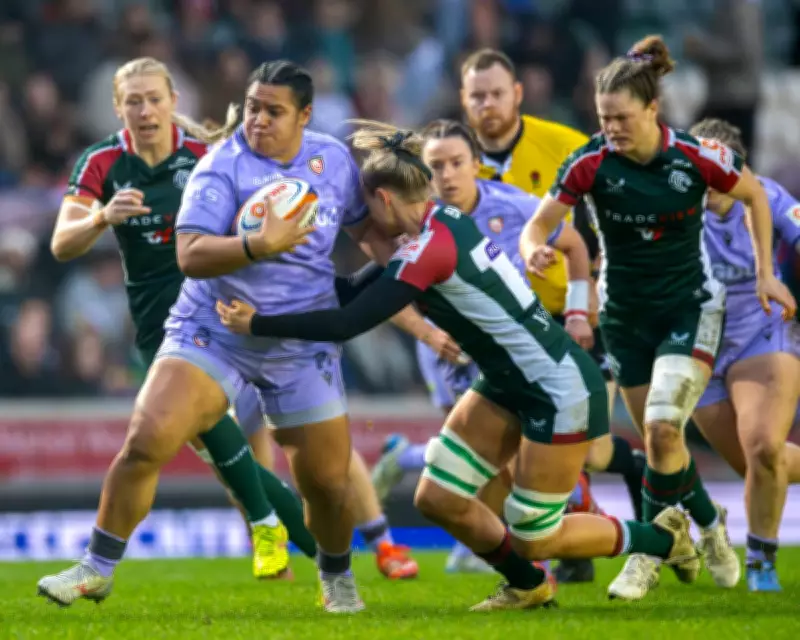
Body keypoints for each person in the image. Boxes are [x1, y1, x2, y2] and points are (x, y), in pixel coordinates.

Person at [216, 119, 700, 613]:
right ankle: (528, 586)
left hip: (557, 387)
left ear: (383, 200)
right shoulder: (434, 224)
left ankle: (666, 539)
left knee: (536, 534)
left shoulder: (428, 249)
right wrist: (269, 279)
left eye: (365, 209)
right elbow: (346, 291)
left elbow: (347, 321)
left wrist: (259, 324)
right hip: (508, 382)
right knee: (437, 497)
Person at [37, 58, 320, 609]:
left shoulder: (205, 159)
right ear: (119, 108)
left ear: (173, 102)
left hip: (217, 318)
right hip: (156, 329)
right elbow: (60, 243)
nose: (144, 110)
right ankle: (321, 547)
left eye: (153, 98)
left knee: (169, 438)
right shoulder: (102, 163)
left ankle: (100, 565)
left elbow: (258, 219)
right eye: (133, 101)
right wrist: (100, 219)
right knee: (217, 439)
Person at [522, 35, 796, 601]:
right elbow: (539, 221)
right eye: (603, 117)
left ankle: (646, 553)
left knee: (664, 428)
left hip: (689, 307)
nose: (611, 128)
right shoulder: (590, 162)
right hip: (624, 317)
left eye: (621, 117)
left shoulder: (697, 156)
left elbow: (756, 197)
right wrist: (532, 248)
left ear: (652, 110)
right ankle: (710, 523)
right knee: (663, 448)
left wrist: (767, 273)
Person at [370, 118, 598, 576]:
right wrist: (427, 333)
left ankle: (511, 547)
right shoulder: (413, 224)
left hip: (518, 349)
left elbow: (575, 244)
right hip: (451, 349)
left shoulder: (513, 206)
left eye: (456, 163)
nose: (447, 175)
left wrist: (576, 313)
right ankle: (513, 557)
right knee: (487, 465)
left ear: (477, 164)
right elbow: (385, 292)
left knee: (533, 463)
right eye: (435, 166)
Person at [689, 118, 800, 592]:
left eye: (721, 170)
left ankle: (760, 561)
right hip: (697, 349)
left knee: (762, 448)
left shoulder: (768, 197)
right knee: (760, 466)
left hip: (762, 332)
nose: (710, 183)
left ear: (740, 169)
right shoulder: (676, 207)